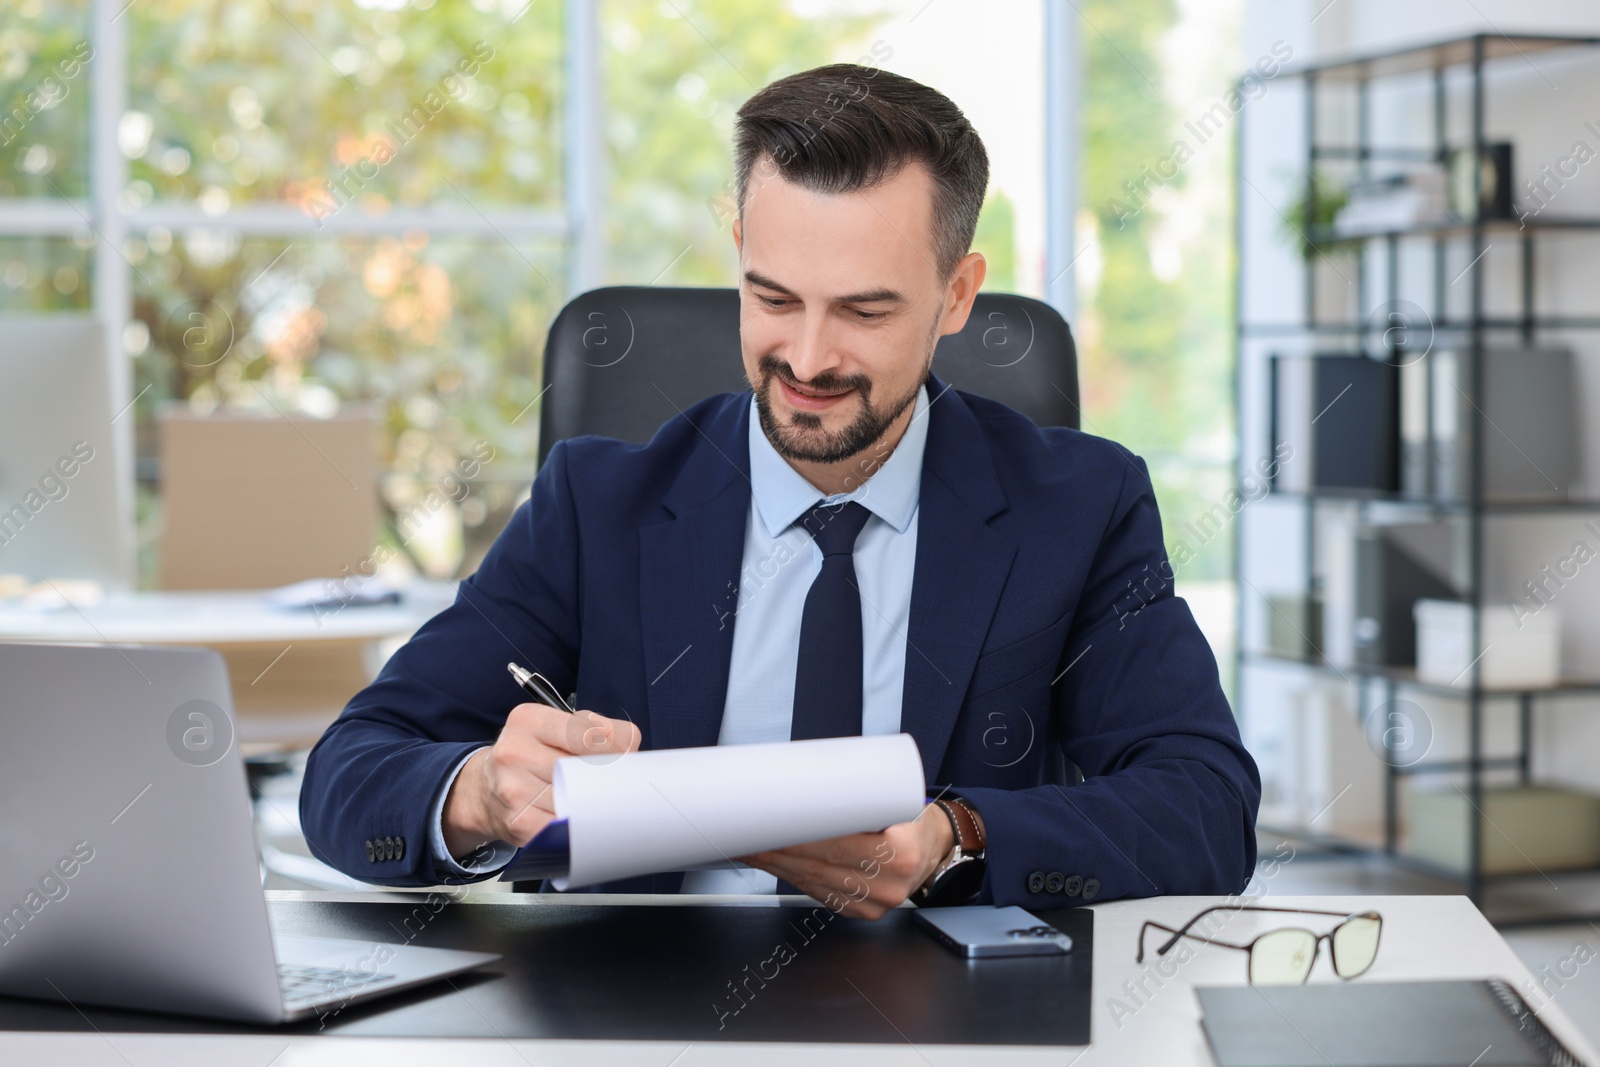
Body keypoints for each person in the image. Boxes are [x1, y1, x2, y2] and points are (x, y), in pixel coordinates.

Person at [300, 62, 1260, 918]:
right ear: (740, 250)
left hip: (947, 1019)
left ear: (957, 295)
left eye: (863, 310)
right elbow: (348, 771)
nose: (806, 357)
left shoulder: (1080, 507)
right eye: (774, 298)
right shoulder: (597, 505)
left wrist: (958, 839)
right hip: (634, 1012)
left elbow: (1206, 804)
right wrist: (476, 791)